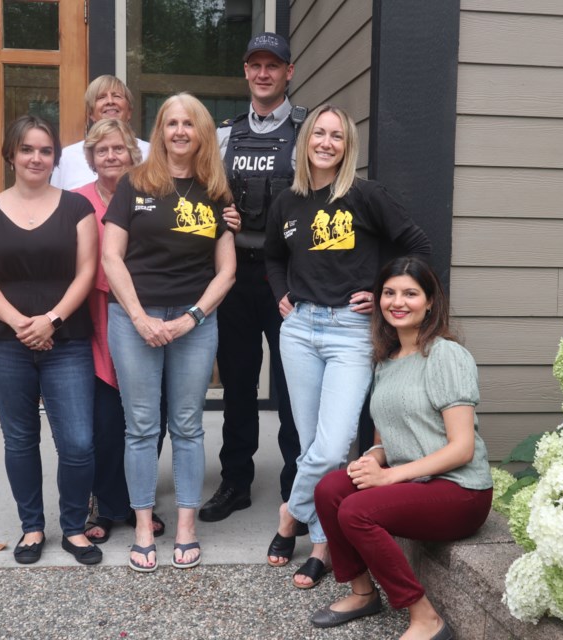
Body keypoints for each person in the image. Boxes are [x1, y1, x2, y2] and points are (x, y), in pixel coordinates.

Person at [264, 104, 431, 588]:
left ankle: (289, 513)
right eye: (319, 133)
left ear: (347, 145)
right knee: (311, 445)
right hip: (299, 331)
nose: (326, 142)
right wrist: (281, 295)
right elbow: (273, 257)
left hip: (350, 333)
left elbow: (417, 246)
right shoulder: (288, 202)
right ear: (305, 140)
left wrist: (384, 296)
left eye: (337, 136)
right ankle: (321, 545)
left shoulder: (365, 196)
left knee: (334, 444)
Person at [310, 257, 493, 640]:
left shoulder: (446, 355)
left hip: (459, 491)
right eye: (389, 292)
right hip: (413, 483)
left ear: (429, 302)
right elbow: (385, 437)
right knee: (330, 489)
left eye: (411, 293)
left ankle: (426, 618)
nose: (398, 301)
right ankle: (362, 593)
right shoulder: (387, 360)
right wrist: (374, 458)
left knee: (357, 511)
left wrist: (389, 475)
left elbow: (462, 449)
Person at [102, 92, 236, 572]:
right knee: (140, 426)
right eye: (171, 122)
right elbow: (111, 256)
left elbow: (226, 271)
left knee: (187, 425)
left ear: (201, 132)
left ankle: (185, 526)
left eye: (189, 123)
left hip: (193, 322)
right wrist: (140, 317)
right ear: (159, 130)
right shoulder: (133, 184)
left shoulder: (216, 191)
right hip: (134, 318)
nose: (180, 131)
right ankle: (143, 526)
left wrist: (191, 318)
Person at [0, 115, 102, 566]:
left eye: (46, 151)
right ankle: (32, 527)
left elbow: (87, 271)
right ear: (11, 155)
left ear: (56, 159)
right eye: (27, 149)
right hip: (4, 344)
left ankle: (74, 529)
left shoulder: (77, 209)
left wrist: (52, 320)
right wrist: (23, 323)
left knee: (79, 442)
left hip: (67, 342)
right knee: (20, 438)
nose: (36, 158)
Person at [200, 31, 303, 526]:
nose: (264, 73)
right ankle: (235, 482)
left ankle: (295, 492)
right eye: (255, 65)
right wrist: (221, 217)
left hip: (287, 277)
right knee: (238, 386)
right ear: (246, 71)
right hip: (236, 276)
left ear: (288, 71)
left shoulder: (308, 132)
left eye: (273, 65)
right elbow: (202, 198)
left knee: (292, 388)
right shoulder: (224, 134)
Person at [71, 118, 168, 545]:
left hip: (148, 312)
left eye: (119, 149)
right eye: (102, 150)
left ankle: (139, 502)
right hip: (95, 315)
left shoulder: (154, 196)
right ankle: (107, 505)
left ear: (134, 154)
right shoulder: (73, 202)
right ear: (90, 158)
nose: (111, 156)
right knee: (106, 419)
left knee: (150, 417)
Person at [51, 75, 150, 190]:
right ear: (91, 114)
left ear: (129, 112)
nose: (110, 101)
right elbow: (54, 202)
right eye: (101, 97)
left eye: (117, 96)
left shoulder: (152, 153)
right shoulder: (67, 157)